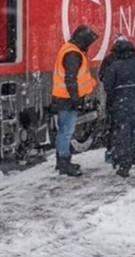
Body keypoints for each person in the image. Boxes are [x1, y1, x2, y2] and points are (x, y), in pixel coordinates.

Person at [51, 24, 98, 177]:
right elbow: (71, 79)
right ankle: (64, 162)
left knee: (63, 131)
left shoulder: (69, 49)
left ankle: (61, 160)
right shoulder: (73, 54)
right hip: (67, 99)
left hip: (62, 97)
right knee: (66, 131)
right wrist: (76, 97)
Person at [102, 38, 135, 177]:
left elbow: (108, 86)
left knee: (124, 137)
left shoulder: (115, 67)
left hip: (123, 107)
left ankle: (124, 167)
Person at [99, 34, 128, 166]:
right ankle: (126, 153)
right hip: (128, 99)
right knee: (127, 127)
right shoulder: (132, 59)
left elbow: (102, 77)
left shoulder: (109, 60)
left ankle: (112, 152)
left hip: (114, 99)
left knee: (113, 126)